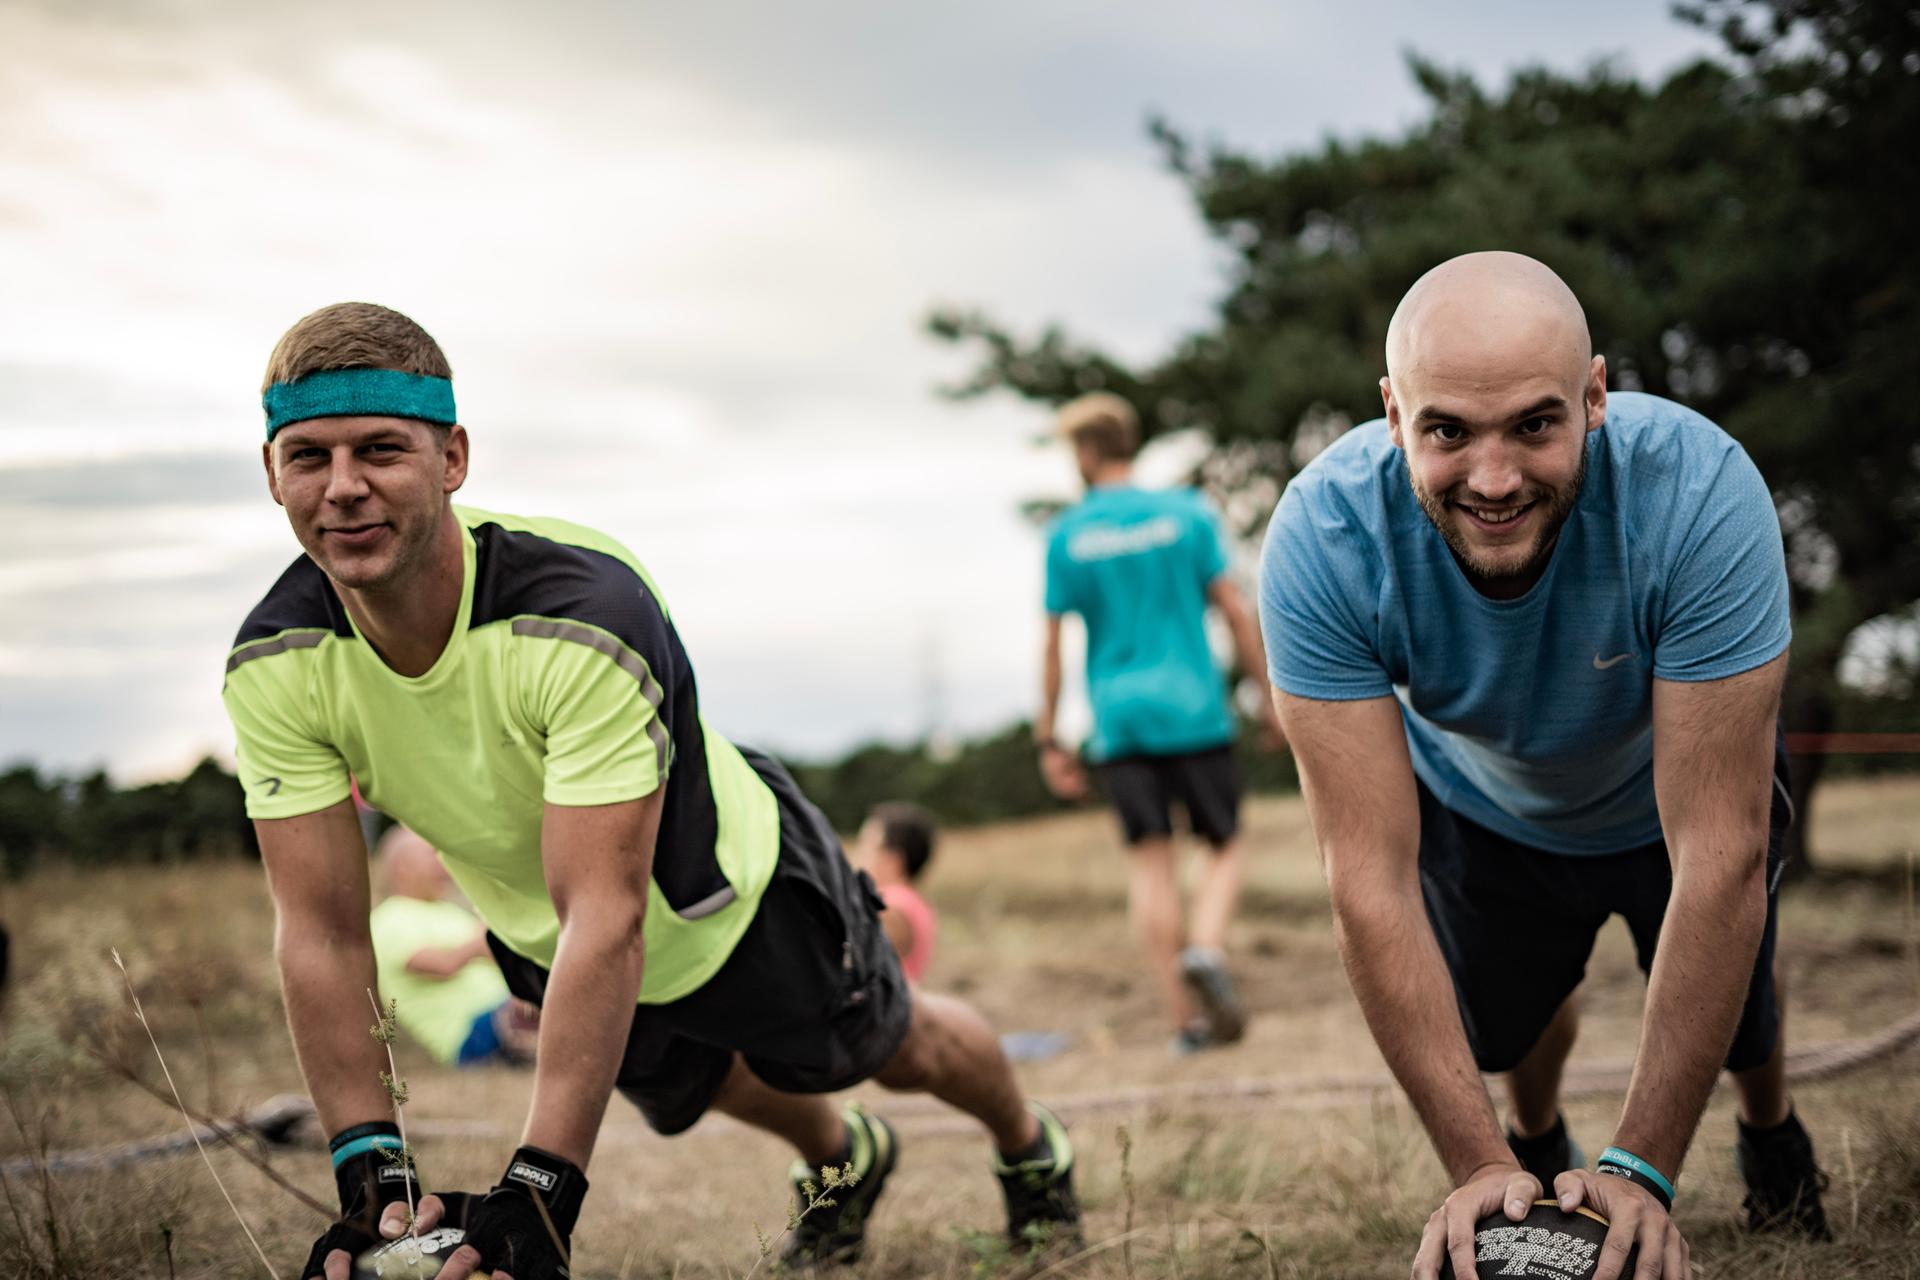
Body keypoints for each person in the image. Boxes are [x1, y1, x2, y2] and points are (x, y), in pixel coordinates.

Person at [223, 303, 1080, 1280]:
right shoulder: (274, 662)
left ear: (452, 457)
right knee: (702, 1084)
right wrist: (368, 1170)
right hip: (553, 932)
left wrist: (540, 1191)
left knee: (896, 1048)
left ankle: (1030, 1138)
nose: (343, 487)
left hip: (734, 894)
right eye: (307, 456)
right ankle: (845, 1155)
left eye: (380, 449)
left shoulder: (580, 609)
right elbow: (324, 929)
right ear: (271, 472)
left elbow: (609, 908)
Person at [1260, 252, 1829, 1280]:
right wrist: (1472, 1164)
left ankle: (1773, 1125)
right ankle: (1531, 1141)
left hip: (1671, 797)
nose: (1493, 477)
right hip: (1488, 802)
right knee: (1503, 1025)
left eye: (1534, 423)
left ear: (1595, 397)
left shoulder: (1700, 493)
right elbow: (1368, 878)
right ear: (1393, 415)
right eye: (1447, 431)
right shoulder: (1323, 537)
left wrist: (1644, 1168)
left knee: (1743, 1012)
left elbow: (1722, 855)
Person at [1037, 392, 1285, 1055]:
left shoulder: (1066, 534)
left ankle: (1185, 1023)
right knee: (1224, 842)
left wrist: (1049, 736)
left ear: (1086, 453)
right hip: (1193, 707)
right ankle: (1205, 947)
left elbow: (1053, 643)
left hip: (1118, 719)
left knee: (1150, 866)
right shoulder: (1186, 515)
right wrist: (1268, 698)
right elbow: (1234, 611)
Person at [369, 825, 536, 1068]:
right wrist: (481, 943)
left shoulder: (451, 911)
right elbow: (438, 966)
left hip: (506, 1007)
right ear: (402, 869)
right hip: (470, 1033)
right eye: (432, 857)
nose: (443, 866)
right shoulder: (389, 918)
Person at [853, 802, 940, 983]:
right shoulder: (915, 903)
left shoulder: (889, 906)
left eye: (865, 845)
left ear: (893, 860)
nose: (856, 854)